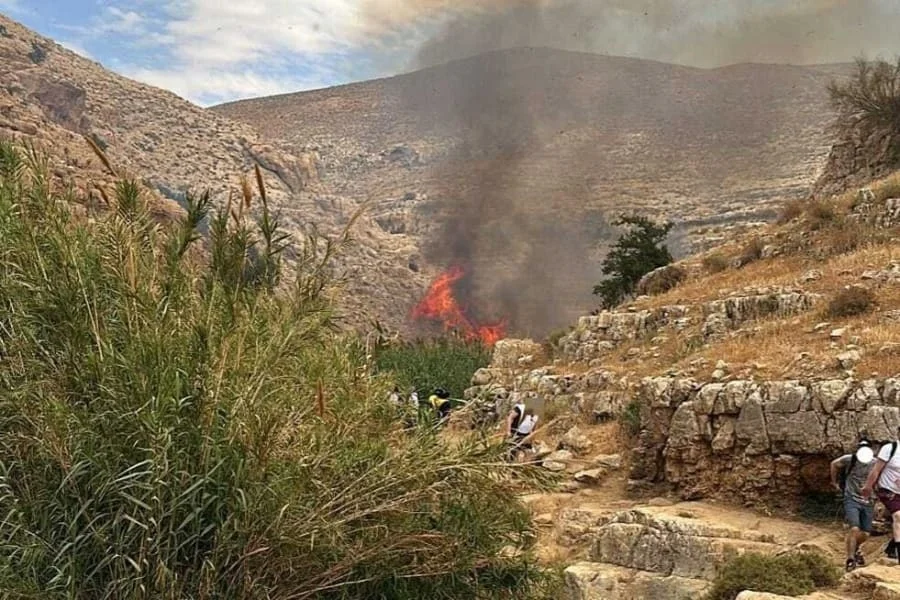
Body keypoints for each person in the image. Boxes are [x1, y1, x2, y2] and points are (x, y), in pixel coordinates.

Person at [831, 439, 876, 571]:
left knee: (865, 533)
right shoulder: (850, 459)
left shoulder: (875, 463)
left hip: (868, 500)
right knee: (854, 528)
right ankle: (850, 558)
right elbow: (834, 464)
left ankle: (855, 549)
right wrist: (834, 482)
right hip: (851, 498)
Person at [862, 433, 900, 561]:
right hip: (888, 490)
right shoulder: (890, 449)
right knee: (898, 516)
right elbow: (876, 470)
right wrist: (868, 487)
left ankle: (891, 547)